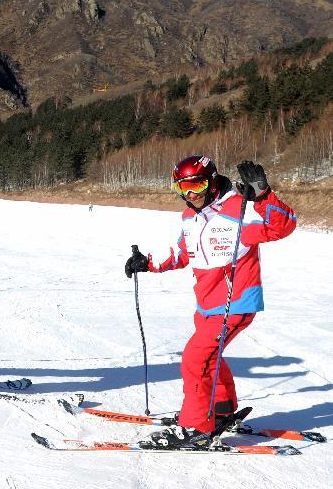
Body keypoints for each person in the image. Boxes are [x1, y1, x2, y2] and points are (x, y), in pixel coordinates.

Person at [125, 155, 296, 445]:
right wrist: (148, 262)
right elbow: (182, 253)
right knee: (208, 357)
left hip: (235, 301)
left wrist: (264, 196)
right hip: (206, 304)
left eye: (198, 185)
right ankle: (220, 410)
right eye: (183, 189)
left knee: (196, 359)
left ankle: (196, 428)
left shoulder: (239, 209)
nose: (191, 195)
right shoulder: (189, 216)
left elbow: (282, 226)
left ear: (212, 180)